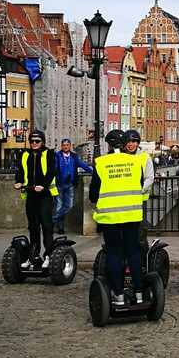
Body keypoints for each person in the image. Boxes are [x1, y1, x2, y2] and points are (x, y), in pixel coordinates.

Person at [90, 130, 146, 306]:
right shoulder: (136, 161)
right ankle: (139, 293)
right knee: (133, 251)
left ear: (108, 145)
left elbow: (93, 194)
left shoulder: (101, 163)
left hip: (110, 215)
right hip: (132, 213)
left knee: (113, 252)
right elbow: (141, 183)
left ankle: (118, 294)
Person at [14, 129, 58, 264]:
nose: (34, 143)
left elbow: (51, 172)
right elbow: (21, 171)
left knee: (46, 225)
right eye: (32, 141)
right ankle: (34, 254)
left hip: (44, 195)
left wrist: (43, 185)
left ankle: (48, 254)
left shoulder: (48, 154)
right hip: (31, 195)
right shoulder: (25, 155)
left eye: (37, 141)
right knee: (33, 226)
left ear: (42, 142)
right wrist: (19, 181)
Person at [52, 138, 92, 233]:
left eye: (67, 145)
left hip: (70, 183)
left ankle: (53, 220)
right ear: (62, 146)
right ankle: (60, 227)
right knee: (59, 205)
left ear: (70, 146)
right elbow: (54, 169)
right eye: (64, 145)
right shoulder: (57, 156)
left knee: (69, 205)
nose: (66, 147)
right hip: (60, 184)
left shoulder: (73, 156)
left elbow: (82, 165)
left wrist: (92, 171)